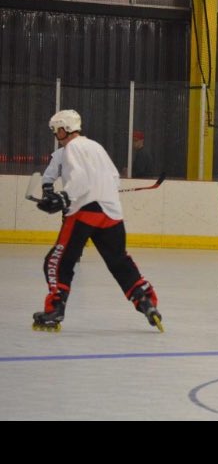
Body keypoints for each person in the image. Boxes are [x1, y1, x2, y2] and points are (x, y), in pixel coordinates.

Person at [32, 109, 163, 333]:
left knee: (57, 261)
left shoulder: (72, 147)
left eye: (57, 131)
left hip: (85, 211)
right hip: (111, 213)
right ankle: (145, 301)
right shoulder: (96, 146)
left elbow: (80, 179)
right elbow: (114, 178)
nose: (56, 135)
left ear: (65, 129)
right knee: (119, 261)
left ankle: (55, 309)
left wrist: (64, 197)